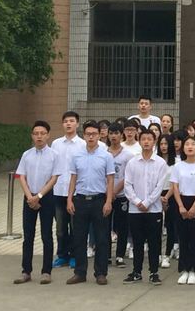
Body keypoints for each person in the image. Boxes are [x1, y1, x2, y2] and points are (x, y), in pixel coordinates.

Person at [66, 120, 115, 285]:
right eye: (88, 134)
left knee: (101, 239)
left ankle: (101, 273)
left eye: (94, 134)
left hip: (99, 200)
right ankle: (80, 272)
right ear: (84, 135)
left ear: (99, 135)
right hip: (80, 200)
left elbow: (110, 180)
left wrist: (108, 201)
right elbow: (73, 178)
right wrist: (69, 199)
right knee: (79, 238)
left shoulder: (106, 156)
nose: (91, 137)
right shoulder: (77, 155)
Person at [14, 120, 60, 285]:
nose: (39, 136)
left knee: (46, 235)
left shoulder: (54, 155)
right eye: (36, 133)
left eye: (42, 133)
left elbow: (54, 178)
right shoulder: (27, 154)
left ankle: (46, 271)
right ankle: (26, 271)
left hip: (46, 197)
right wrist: (30, 197)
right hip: (29, 197)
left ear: (48, 135)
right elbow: (21, 176)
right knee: (28, 236)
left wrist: (39, 196)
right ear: (32, 136)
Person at [122, 128, 165, 285]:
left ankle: (154, 272)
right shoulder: (132, 162)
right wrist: (137, 201)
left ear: (154, 142)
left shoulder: (160, 163)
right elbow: (127, 185)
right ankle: (136, 272)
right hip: (135, 210)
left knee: (154, 242)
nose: (146, 142)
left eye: (149, 139)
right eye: (143, 139)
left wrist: (147, 202)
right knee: (137, 242)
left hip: (154, 209)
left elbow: (160, 186)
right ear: (139, 141)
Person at [170, 136, 195, 285]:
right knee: (183, 238)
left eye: (193, 144)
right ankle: (184, 270)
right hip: (180, 202)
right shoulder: (178, 166)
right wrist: (180, 206)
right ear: (183, 148)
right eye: (187, 144)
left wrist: (194, 206)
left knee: (193, 238)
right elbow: (175, 186)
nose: (190, 146)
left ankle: (193, 270)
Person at [50, 111, 85, 269]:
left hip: (76, 192)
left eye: (71, 121)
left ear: (77, 124)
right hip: (58, 191)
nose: (68, 124)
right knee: (60, 228)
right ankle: (62, 255)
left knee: (76, 227)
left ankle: (75, 256)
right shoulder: (56, 144)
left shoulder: (82, 145)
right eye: (65, 121)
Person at [107, 122, 134, 267]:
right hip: (105, 196)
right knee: (105, 226)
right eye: (111, 133)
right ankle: (106, 255)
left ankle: (119, 255)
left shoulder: (128, 155)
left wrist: (115, 192)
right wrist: (108, 193)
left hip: (122, 195)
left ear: (121, 135)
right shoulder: (103, 153)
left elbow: (127, 176)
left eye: (116, 133)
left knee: (122, 226)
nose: (113, 136)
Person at [157, 133, 178, 267]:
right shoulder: (155, 160)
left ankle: (167, 254)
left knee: (170, 226)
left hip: (171, 194)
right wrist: (158, 196)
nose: (164, 146)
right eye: (161, 144)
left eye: (166, 144)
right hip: (156, 194)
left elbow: (176, 182)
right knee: (156, 227)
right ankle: (157, 254)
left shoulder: (177, 162)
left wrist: (166, 197)